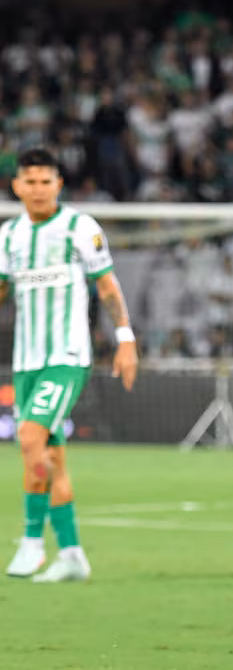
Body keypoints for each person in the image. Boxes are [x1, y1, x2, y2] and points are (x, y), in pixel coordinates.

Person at [1, 148, 139, 582]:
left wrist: (125, 338)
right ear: (17, 186)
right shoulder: (8, 237)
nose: (39, 189)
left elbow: (107, 286)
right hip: (26, 362)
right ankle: (73, 554)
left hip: (68, 357)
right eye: (31, 181)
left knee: (28, 437)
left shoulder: (81, 228)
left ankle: (31, 542)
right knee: (51, 457)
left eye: (47, 181)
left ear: (58, 184)